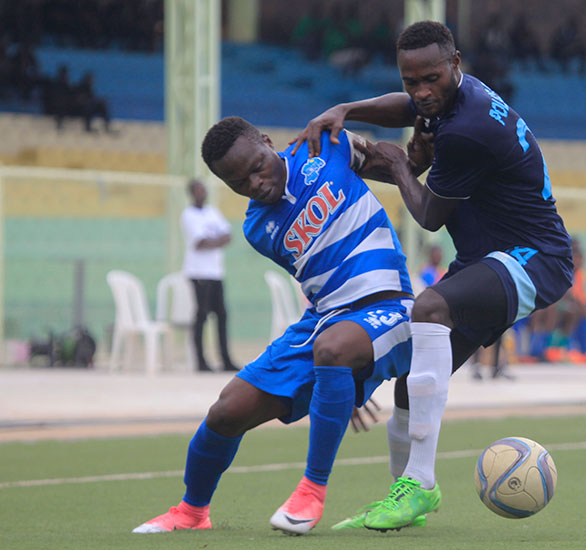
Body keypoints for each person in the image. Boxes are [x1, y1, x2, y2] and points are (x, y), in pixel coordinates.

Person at [292, 20, 572, 531]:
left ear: (455, 64)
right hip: (489, 258)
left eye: (431, 79)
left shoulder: (467, 131)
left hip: (534, 257)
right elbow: (408, 109)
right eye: (411, 80)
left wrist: (400, 164)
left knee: (430, 308)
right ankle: (407, 498)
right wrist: (346, 109)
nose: (421, 91)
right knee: (410, 383)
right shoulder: (459, 95)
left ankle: (420, 483)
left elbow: (428, 216)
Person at [133, 116, 415, 536]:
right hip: (328, 319)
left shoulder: (326, 146)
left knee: (333, 350)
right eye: (238, 183)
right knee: (226, 411)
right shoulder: (257, 229)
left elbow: (395, 164)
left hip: (390, 304)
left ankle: (311, 491)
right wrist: (341, 385)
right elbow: (323, 282)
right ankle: (191, 512)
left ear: (268, 142)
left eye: (257, 167)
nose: (255, 184)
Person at [180, 178, 239, 373]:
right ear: (192, 193)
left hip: (216, 272)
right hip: (199, 272)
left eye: (203, 190)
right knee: (201, 316)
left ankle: (225, 359)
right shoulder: (188, 215)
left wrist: (212, 241)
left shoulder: (212, 212)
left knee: (222, 315)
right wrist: (217, 240)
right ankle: (201, 362)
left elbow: (228, 235)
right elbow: (199, 243)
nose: (202, 193)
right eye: (198, 190)